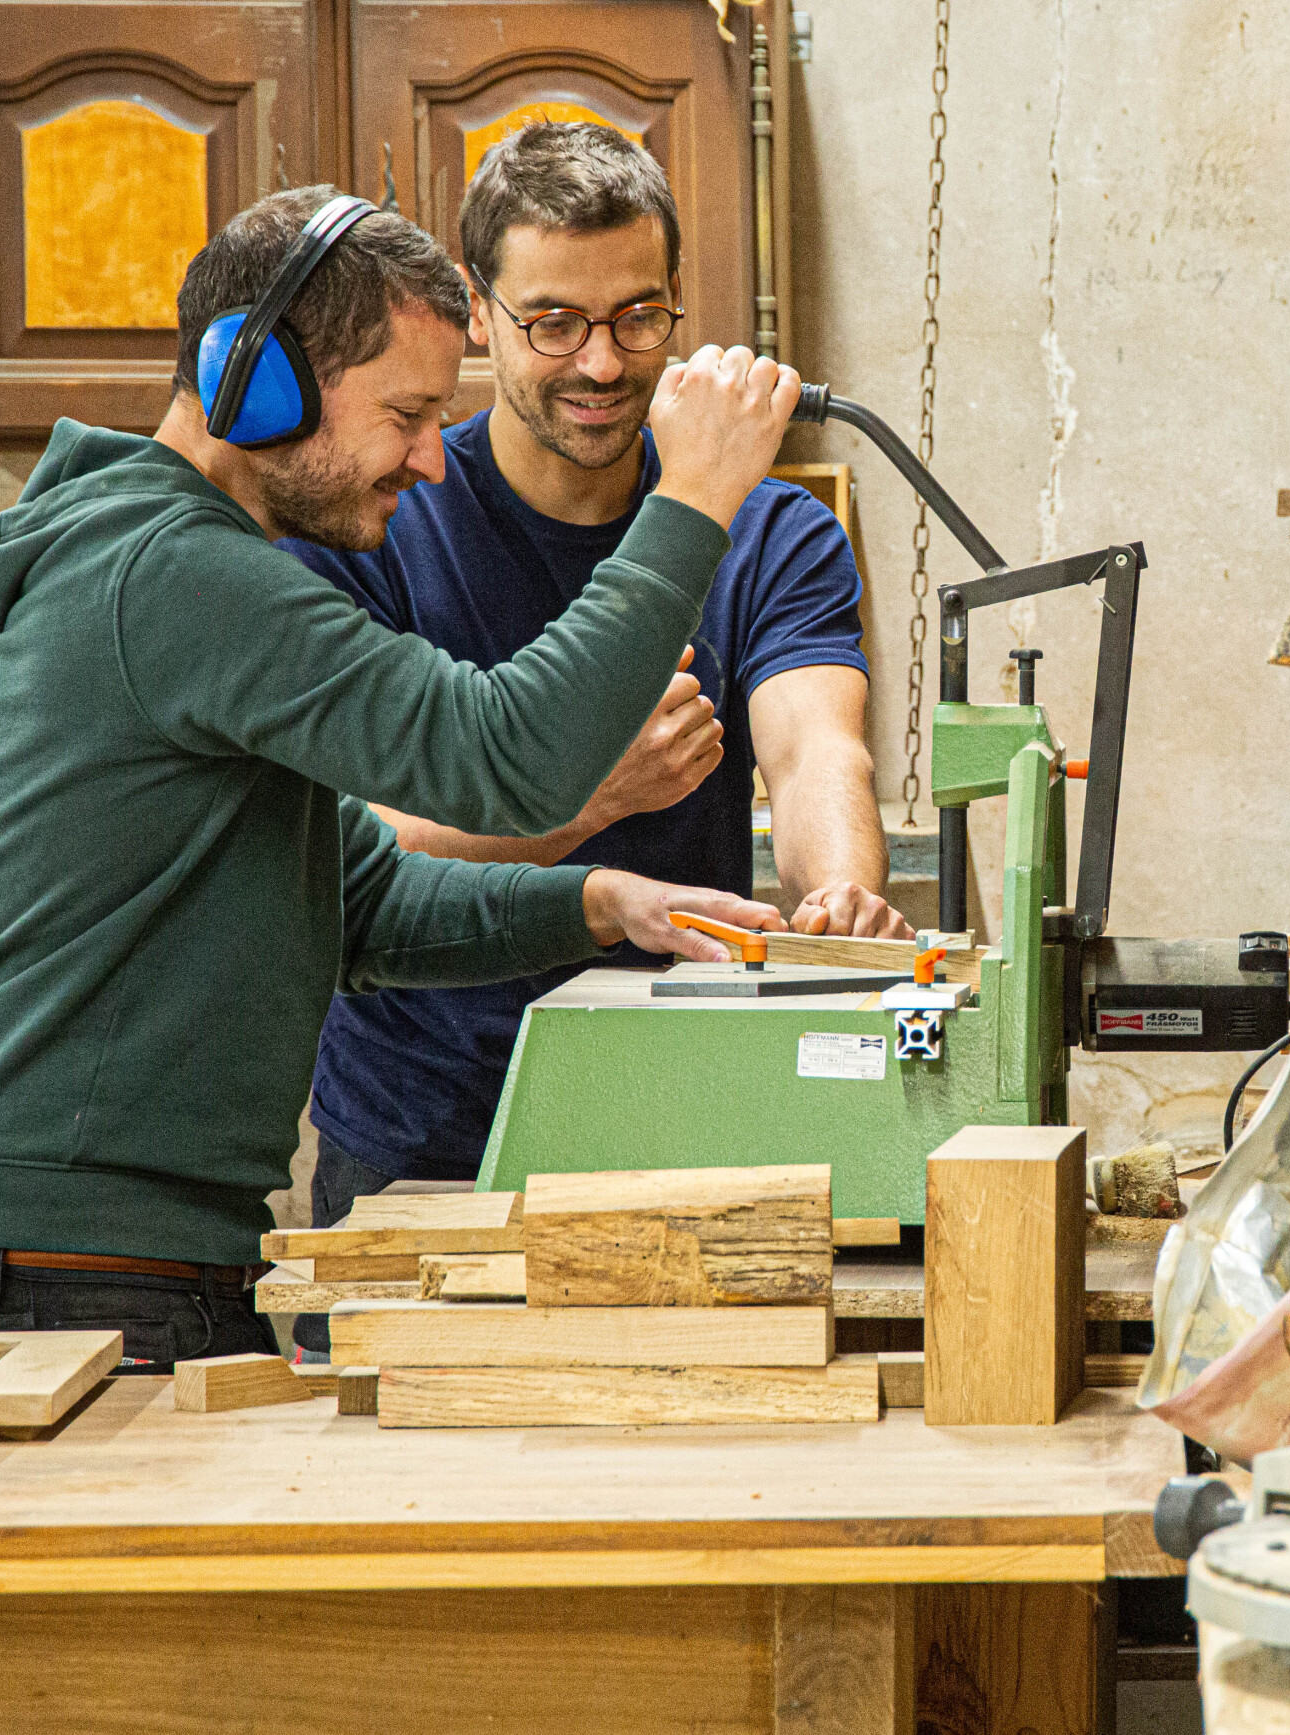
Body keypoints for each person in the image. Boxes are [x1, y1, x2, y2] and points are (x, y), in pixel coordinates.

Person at [0, 185, 798, 1367]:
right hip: (67, 1267)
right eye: (407, 414)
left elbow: (360, 901)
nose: (430, 461)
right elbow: (507, 753)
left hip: (116, 1255)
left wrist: (600, 900)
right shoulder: (179, 575)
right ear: (256, 385)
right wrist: (694, 499)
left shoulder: (178, 568)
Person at [285, 123, 907, 1276]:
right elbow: (346, 853)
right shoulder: (376, 522)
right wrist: (580, 794)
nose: (604, 364)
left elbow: (819, 751)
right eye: (554, 322)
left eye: (637, 317)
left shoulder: (767, 530)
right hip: (422, 1135)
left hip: (685, 1108)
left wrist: (841, 907)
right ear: (477, 309)